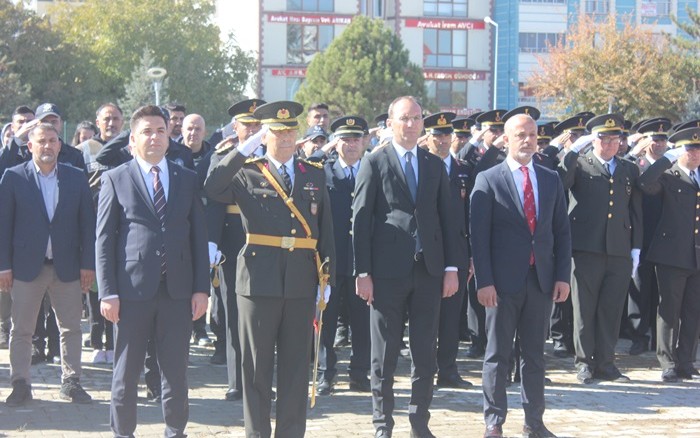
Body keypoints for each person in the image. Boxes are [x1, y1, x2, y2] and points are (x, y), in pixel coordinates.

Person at [204, 101, 335, 438]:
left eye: (291, 129)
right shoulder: (246, 170)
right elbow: (212, 187)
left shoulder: (314, 173)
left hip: (301, 282)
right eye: (278, 131)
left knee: (295, 371)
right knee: (256, 370)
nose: (287, 136)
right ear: (265, 135)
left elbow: (326, 230)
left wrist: (327, 276)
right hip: (257, 282)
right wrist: (243, 148)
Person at [96, 105, 209, 437]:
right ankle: (123, 432)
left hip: (178, 292)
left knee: (175, 371)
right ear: (132, 139)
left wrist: (201, 288)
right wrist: (108, 292)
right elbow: (103, 240)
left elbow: (198, 236)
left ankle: (175, 431)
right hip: (130, 293)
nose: (154, 137)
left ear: (168, 137)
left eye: (160, 131)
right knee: (125, 373)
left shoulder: (186, 179)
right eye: (146, 131)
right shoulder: (116, 178)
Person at [352, 96, 459, 438]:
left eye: (416, 118)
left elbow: (448, 218)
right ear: (390, 122)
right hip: (386, 274)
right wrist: (363, 272)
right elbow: (361, 220)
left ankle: (419, 423)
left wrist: (453, 267)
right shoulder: (374, 161)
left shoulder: (433, 164)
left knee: (424, 351)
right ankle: (383, 424)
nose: (411, 124)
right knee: (383, 355)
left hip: (428, 270)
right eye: (404, 118)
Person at [470, 114, 571, 438]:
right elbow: (478, 237)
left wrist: (562, 276)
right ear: (507, 140)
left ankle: (534, 422)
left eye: (532, 134)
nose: (527, 140)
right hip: (501, 284)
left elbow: (562, 232)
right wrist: (483, 281)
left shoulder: (550, 178)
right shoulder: (488, 179)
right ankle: (494, 421)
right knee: (498, 355)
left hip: (539, 280)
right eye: (520, 135)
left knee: (534, 356)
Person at [0, 123, 96, 407]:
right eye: (41, 141)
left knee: (71, 328)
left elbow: (87, 225)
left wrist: (88, 264)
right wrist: (3, 265)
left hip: (67, 266)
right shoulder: (13, 178)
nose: (47, 146)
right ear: (30, 146)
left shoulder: (76, 178)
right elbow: (3, 225)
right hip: (26, 267)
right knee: (22, 329)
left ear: (60, 145)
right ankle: (20, 383)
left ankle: (72, 382)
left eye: (53, 140)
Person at [560, 113, 643, 384]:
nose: (608, 144)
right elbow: (559, 181)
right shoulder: (581, 165)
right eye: (602, 138)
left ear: (621, 141)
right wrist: (572, 150)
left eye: (614, 139)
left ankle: (606, 363)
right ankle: (584, 363)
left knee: (611, 309)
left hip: (618, 249)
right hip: (586, 248)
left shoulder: (628, 168)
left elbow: (635, 211)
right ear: (593, 139)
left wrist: (635, 248)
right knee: (584, 309)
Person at [205, 98, 265, 400]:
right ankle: (237, 381)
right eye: (247, 125)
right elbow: (214, 200)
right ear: (235, 128)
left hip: (270, 242)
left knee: (266, 313)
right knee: (232, 310)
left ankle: (263, 378)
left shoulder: (278, 156)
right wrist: (212, 241)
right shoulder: (223, 157)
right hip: (234, 241)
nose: (253, 130)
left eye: (258, 124)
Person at [311, 116, 371, 396]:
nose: (351, 145)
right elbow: (305, 164)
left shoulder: (373, 170)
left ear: (365, 142)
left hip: (362, 259)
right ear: (336, 143)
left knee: (362, 321)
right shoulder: (323, 171)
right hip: (330, 260)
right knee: (327, 320)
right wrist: (323, 150)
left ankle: (360, 373)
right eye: (345, 139)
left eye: (356, 139)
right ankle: (326, 374)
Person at [637, 127, 700, 382]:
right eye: (690, 149)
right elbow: (645, 183)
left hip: (696, 254)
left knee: (693, 311)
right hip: (672, 254)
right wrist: (665, 159)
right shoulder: (668, 176)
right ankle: (668, 361)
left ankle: (687, 360)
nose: (695, 154)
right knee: (669, 310)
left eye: (698, 149)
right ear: (680, 151)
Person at [422, 112, 473, 390]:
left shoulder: (463, 168)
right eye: (437, 135)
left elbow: (471, 214)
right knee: (428, 315)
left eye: (446, 135)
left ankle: (448, 370)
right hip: (430, 252)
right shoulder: (422, 166)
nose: (442, 140)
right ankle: (426, 370)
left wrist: (472, 255)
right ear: (427, 137)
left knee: (452, 315)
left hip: (458, 250)